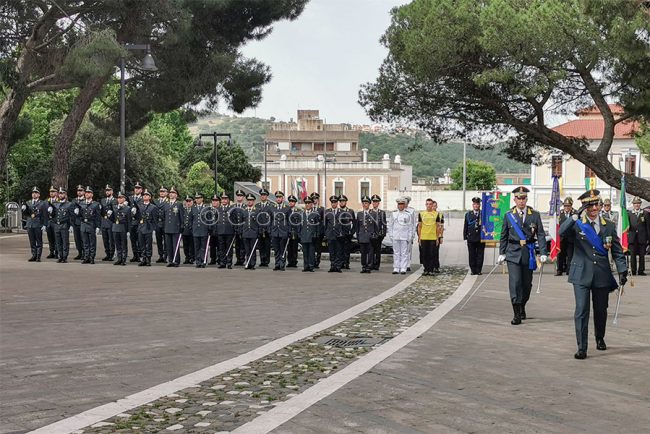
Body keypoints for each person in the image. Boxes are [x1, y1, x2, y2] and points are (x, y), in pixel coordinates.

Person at [559, 189, 627, 360]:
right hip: (581, 273)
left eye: (596, 204)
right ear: (584, 207)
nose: (594, 208)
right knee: (581, 310)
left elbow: (618, 252)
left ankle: (600, 337)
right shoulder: (577, 224)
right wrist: (575, 215)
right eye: (590, 205)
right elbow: (562, 233)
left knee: (601, 310)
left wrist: (622, 270)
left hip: (601, 274)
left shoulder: (609, 225)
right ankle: (582, 347)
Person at [498, 186, 547, 325]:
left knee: (526, 285)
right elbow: (504, 235)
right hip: (513, 253)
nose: (521, 201)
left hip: (529, 254)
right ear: (514, 199)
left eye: (523, 198)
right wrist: (502, 253)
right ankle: (516, 313)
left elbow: (541, 234)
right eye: (518, 198)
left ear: (526, 199)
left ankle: (522, 305)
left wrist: (543, 252)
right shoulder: (509, 215)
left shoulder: (534, 214)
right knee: (515, 283)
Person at [389, 197, 416, 275]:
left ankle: (403, 268)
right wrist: (391, 235)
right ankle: (396, 267)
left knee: (404, 253)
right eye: (399, 204)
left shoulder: (408, 214)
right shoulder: (394, 214)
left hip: (404, 236)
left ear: (404, 205)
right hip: (396, 236)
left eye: (402, 204)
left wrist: (410, 236)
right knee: (396, 252)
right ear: (397, 205)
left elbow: (410, 226)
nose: (400, 206)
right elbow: (390, 225)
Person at [22, 186, 49, 262]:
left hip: (38, 224)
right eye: (33, 193)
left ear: (39, 194)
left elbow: (45, 215)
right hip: (30, 224)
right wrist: (24, 209)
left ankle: (38, 256)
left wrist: (44, 224)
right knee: (32, 241)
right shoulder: (28, 202)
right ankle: (34, 255)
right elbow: (26, 214)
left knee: (39, 241)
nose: (34, 194)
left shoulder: (42, 203)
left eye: (36, 193)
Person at [418, 198, 443, 276]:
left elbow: (438, 226)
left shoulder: (436, 214)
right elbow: (419, 226)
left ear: (432, 205)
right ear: (425, 205)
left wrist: (438, 237)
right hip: (424, 237)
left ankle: (431, 269)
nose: (429, 206)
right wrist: (419, 237)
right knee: (424, 254)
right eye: (427, 204)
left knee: (432, 254)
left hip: (432, 237)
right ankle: (426, 269)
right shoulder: (421, 214)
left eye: (430, 204)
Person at [133, 189, 158, 266]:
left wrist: (152, 228)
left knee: (148, 245)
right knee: (141, 244)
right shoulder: (140, 206)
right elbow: (137, 217)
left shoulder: (153, 207)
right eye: (144, 195)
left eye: (147, 195)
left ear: (150, 197)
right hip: (141, 227)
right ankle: (143, 258)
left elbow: (155, 219)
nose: (145, 196)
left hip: (148, 227)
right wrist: (134, 213)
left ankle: (148, 259)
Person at [77, 186, 101, 264]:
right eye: (86, 193)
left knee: (92, 242)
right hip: (83, 224)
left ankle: (92, 257)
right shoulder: (81, 203)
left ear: (92, 194)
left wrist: (98, 227)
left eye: (89, 193)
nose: (87, 194)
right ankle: (86, 257)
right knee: (85, 242)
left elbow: (98, 216)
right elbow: (80, 215)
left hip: (91, 224)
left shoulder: (95, 204)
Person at [51, 187, 74, 263]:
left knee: (65, 242)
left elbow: (71, 216)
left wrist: (71, 225)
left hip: (64, 225)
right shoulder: (55, 204)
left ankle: (64, 256)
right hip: (57, 225)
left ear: (65, 194)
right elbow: (53, 215)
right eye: (60, 193)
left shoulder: (69, 204)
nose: (60, 195)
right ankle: (60, 256)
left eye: (62, 193)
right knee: (58, 242)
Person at [356, 196, 378, 273]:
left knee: (370, 253)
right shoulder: (359, 214)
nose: (365, 205)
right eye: (363, 203)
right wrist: (358, 236)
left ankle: (369, 266)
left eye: (366, 203)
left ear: (369, 204)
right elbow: (357, 227)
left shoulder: (374, 214)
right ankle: (364, 266)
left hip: (370, 237)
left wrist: (375, 235)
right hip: (362, 236)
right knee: (363, 253)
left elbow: (376, 226)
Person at [163, 187, 184, 267]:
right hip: (167, 227)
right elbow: (164, 216)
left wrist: (182, 226)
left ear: (176, 195)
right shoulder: (166, 204)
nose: (171, 194)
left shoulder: (179, 204)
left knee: (175, 246)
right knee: (168, 246)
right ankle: (170, 260)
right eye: (170, 192)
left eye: (173, 192)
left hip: (176, 228)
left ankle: (176, 261)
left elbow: (181, 216)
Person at [463, 197, 484, 275]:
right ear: (472, 205)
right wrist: (465, 237)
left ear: (480, 205)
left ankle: (478, 270)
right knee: (471, 255)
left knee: (480, 255)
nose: (476, 206)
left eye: (477, 204)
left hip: (480, 237)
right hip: (471, 238)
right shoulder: (468, 214)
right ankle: (473, 269)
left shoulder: (483, 214)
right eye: (474, 204)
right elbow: (465, 226)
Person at [299, 196, 321, 272]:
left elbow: (318, 226)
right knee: (305, 252)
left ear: (312, 204)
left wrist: (316, 235)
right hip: (304, 236)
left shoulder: (315, 214)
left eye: (309, 203)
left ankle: (311, 266)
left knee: (311, 252)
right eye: (306, 203)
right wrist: (300, 235)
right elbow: (299, 226)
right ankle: (306, 266)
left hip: (312, 237)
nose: (307, 204)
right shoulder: (302, 214)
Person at [628, 196, 648, 276]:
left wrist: (648, 238)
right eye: (635, 203)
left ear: (640, 204)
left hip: (642, 237)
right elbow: (627, 227)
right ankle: (633, 270)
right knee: (632, 255)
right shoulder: (629, 214)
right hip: (632, 238)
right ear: (633, 204)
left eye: (638, 203)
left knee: (642, 255)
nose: (637, 205)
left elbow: (648, 227)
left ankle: (641, 270)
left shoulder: (645, 213)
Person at [556, 197, 576, 276]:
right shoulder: (559, 214)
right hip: (561, 238)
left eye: (568, 206)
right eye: (565, 206)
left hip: (571, 238)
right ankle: (559, 270)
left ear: (571, 206)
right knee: (560, 255)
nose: (566, 207)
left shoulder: (574, 214)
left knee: (570, 255)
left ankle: (569, 270)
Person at [271, 191, 290, 271]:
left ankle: (282, 264)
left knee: (283, 249)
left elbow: (290, 221)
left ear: (282, 198)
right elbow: (270, 220)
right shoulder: (272, 208)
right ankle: (277, 264)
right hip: (275, 232)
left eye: (280, 197)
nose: (278, 199)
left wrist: (289, 231)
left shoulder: (287, 208)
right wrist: (270, 230)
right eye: (277, 197)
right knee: (276, 249)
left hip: (283, 232)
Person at [216, 192, 235, 269]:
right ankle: (222, 262)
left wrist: (235, 229)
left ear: (228, 200)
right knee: (221, 248)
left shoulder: (232, 209)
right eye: (222, 199)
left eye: (225, 199)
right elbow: (215, 220)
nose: (223, 201)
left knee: (229, 248)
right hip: (220, 231)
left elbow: (234, 220)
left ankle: (229, 262)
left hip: (229, 231)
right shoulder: (218, 209)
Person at [189, 192, 209, 268]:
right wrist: (191, 228)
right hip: (196, 230)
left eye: (198, 198)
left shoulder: (206, 207)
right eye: (196, 198)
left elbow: (209, 219)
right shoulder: (193, 208)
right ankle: (198, 261)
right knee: (197, 247)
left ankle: (203, 261)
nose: (197, 200)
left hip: (204, 230)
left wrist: (209, 228)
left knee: (203, 247)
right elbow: (191, 219)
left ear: (202, 199)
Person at [111, 191, 131, 265]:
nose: (119, 199)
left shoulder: (127, 208)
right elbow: (112, 219)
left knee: (123, 244)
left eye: (121, 198)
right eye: (118, 198)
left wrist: (129, 230)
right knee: (117, 244)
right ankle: (119, 258)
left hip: (123, 227)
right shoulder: (115, 207)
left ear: (124, 199)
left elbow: (129, 220)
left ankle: (123, 259)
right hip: (115, 227)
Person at [324, 195, 343, 272]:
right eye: (332, 202)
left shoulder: (341, 212)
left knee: (338, 251)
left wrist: (342, 233)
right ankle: (332, 265)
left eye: (335, 202)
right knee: (331, 251)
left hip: (338, 235)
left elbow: (345, 224)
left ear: (337, 203)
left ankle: (338, 266)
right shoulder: (327, 212)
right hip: (330, 235)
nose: (334, 204)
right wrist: (326, 233)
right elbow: (325, 224)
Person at [255, 188, 273, 267]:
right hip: (259, 229)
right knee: (261, 246)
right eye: (261, 195)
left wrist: (270, 228)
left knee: (267, 246)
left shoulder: (271, 206)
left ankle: (266, 261)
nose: (263, 196)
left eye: (264, 195)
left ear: (267, 196)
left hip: (267, 230)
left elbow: (272, 218)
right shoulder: (257, 206)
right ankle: (262, 260)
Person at [242, 193, 260, 270]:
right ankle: (248, 262)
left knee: (253, 249)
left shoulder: (257, 211)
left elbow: (260, 222)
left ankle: (252, 263)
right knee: (247, 249)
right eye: (248, 200)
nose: (249, 202)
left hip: (253, 233)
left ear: (254, 201)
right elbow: (242, 222)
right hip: (246, 232)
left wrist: (259, 232)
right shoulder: (244, 211)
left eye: (251, 200)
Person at [337, 195, 355, 269]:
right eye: (340, 201)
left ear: (346, 202)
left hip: (348, 234)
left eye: (343, 201)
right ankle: (340, 263)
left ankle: (346, 263)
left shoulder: (350, 211)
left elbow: (354, 223)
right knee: (340, 249)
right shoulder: (337, 211)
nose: (342, 203)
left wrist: (352, 232)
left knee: (347, 249)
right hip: (339, 234)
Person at [369, 194, 386, 270]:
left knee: (378, 251)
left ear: (378, 203)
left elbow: (384, 224)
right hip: (371, 235)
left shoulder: (382, 213)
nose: (375, 203)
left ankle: (377, 265)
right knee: (371, 251)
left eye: (376, 202)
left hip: (379, 235)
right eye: (374, 202)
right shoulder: (369, 212)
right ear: (372, 203)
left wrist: (383, 234)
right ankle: (371, 264)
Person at [128, 182, 144, 262]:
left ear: (141, 190)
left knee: (140, 239)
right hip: (132, 221)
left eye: (138, 188)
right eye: (135, 188)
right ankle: (135, 255)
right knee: (133, 239)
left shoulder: (143, 198)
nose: (136, 189)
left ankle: (140, 255)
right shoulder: (130, 198)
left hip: (139, 221)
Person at [100, 184, 116, 261]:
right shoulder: (103, 200)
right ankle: (107, 254)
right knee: (105, 240)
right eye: (106, 190)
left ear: (112, 191)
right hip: (104, 222)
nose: (107, 192)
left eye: (109, 190)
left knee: (111, 240)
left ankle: (112, 254)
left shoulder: (115, 200)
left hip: (111, 222)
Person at [311, 192, 325, 268]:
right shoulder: (309, 208)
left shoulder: (321, 209)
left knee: (318, 247)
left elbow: (323, 221)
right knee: (312, 247)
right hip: (311, 231)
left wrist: (322, 231)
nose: (314, 200)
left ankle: (317, 262)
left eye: (316, 198)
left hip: (319, 231)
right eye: (313, 199)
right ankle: (312, 261)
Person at [286, 195, 301, 268]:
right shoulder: (286, 210)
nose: (291, 203)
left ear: (295, 203)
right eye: (290, 201)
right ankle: (289, 261)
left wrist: (298, 233)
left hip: (295, 233)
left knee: (294, 248)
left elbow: (299, 223)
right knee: (289, 248)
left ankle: (294, 261)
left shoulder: (298, 211)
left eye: (293, 202)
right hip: (288, 232)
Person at [155, 186, 169, 263]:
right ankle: (160, 255)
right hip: (158, 223)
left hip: (165, 223)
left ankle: (165, 256)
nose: (162, 193)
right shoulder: (156, 201)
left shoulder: (168, 201)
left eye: (163, 192)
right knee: (159, 240)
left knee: (166, 241)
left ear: (166, 193)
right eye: (161, 192)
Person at [233, 189, 247, 265]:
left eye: (240, 196)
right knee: (237, 245)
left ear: (243, 197)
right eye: (238, 196)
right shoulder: (233, 207)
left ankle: (242, 259)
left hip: (243, 229)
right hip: (235, 229)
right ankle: (238, 259)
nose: (239, 197)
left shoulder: (245, 207)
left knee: (243, 245)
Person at [72, 185, 85, 260]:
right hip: (75, 222)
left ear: (83, 192)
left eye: (81, 190)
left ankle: (84, 253)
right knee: (77, 238)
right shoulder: (74, 200)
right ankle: (79, 253)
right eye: (78, 191)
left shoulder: (85, 200)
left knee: (83, 239)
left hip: (83, 222)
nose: (79, 192)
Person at [45, 185, 58, 259]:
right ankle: (51, 252)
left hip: (55, 222)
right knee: (50, 238)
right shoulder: (47, 201)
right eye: (50, 192)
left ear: (56, 193)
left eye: (53, 192)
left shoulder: (59, 201)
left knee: (56, 238)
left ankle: (57, 252)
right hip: (49, 222)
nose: (51, 193)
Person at [181, 195, 195, 264]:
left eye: (190, 201)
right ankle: (187, 257)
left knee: (191, 245)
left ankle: (192, 257)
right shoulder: (183, 210)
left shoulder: (194, 209)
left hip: (192, 231)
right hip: (185, 230)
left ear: (192, 202)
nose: (188, 203)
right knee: (185, 246)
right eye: (187, 201)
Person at [208, 194, 221, 265]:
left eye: (216, 201)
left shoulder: (221, 210)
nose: (214, 202)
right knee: (212, 246)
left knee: (219, 246)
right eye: (213, 201)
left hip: (219, 230)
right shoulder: (209, 210)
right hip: (211, 230)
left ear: (219, 202)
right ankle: (213, 259)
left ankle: (219, 258)